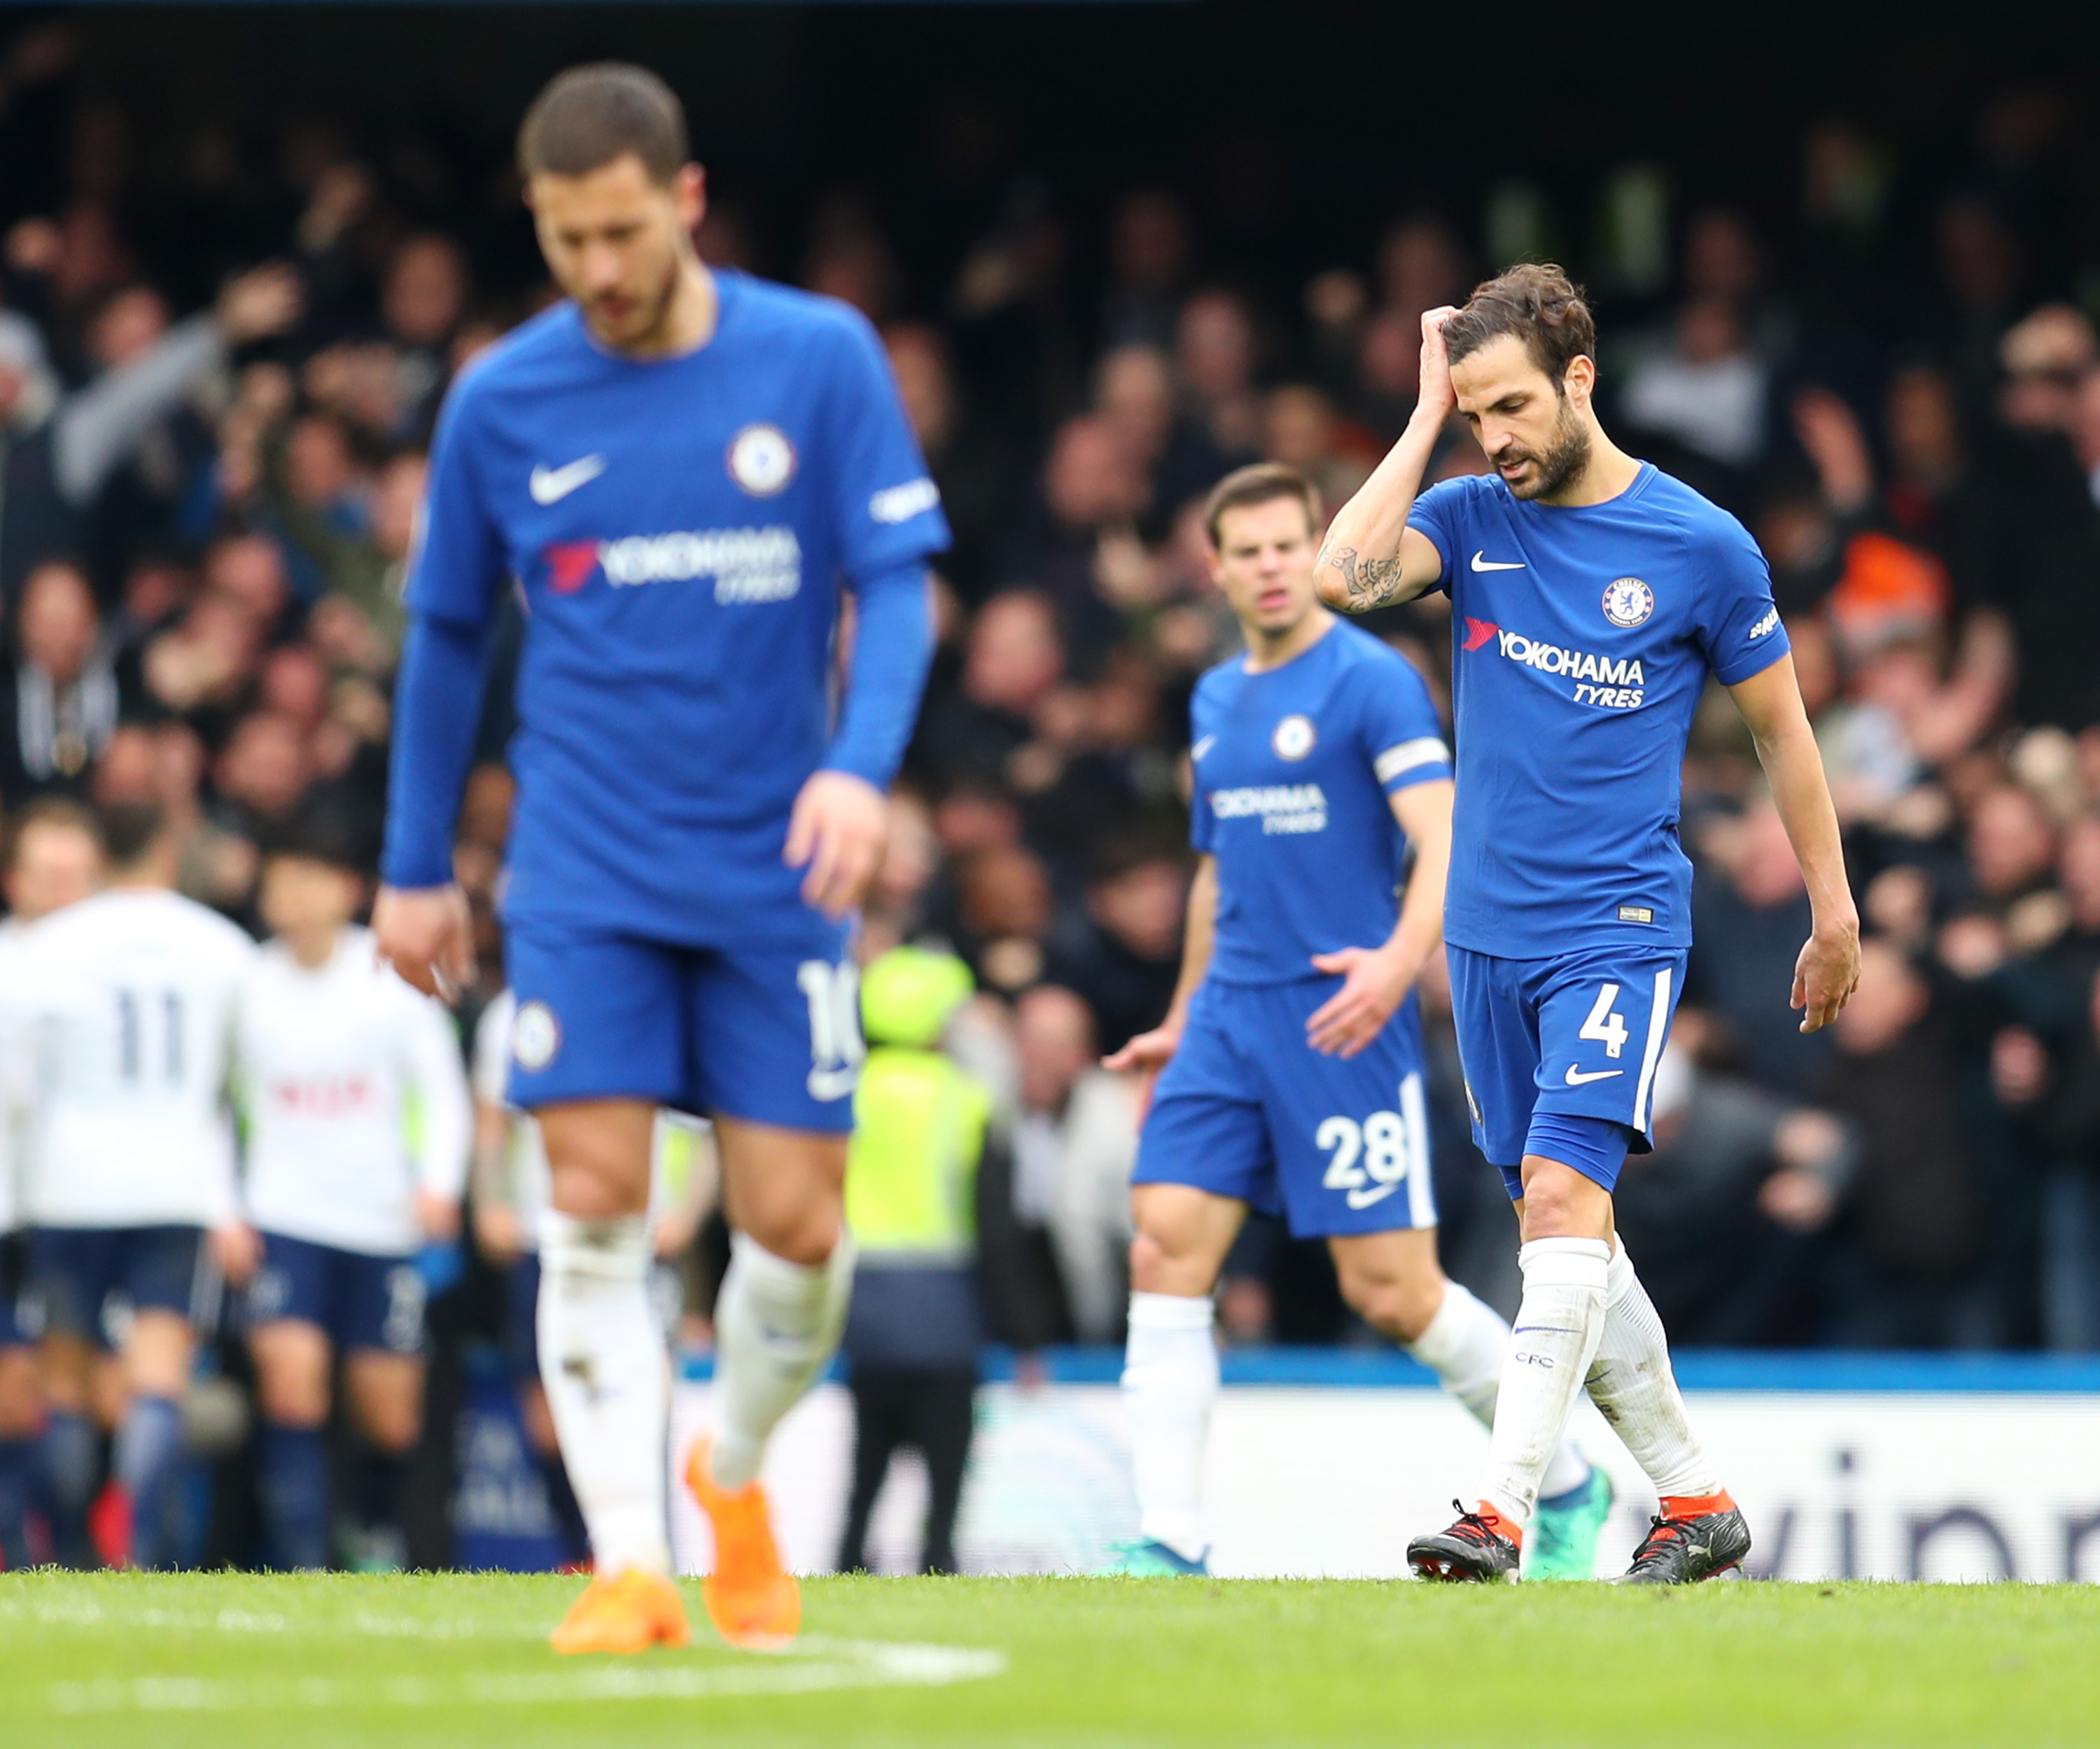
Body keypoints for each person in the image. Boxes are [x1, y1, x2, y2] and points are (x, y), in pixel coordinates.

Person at [371, 63, 946, 1653]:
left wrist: (855, 770)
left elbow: (895, 587)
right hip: (585, 867)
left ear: (683, 203)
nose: (597, 273)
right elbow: (440, 639)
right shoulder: (502, 397)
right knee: (594, 1197)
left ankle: (733, 1469)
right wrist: (416, 859)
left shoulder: (816, 359)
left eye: (620, 233)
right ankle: (629, 1561)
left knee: (796, 1227)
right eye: (565, 241)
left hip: (777, 872)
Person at [1313, 265, 1859, 1582]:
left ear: (1580, 377)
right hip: (1486, 937)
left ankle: (1499, 1506)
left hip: (1616, 923)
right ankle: (1696, 1500)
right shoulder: (1468, 513)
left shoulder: (1701, 544)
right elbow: (1342, 580)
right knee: (1574, 1235)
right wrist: (1422, 416)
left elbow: (1782, 728)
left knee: (1560, 1198)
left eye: (1510, 406)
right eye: (1472, 412)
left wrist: (1836, 910)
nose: (1494, 437)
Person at [1100, 462, 1607, 1579]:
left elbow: (1443, 833)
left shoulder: (1371, 681)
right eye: (1251, 549)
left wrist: (1395, 961)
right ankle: (1170, 1539)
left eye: (1293, 543)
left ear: (1314, 546)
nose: (1275, 565)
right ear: (1219, 567)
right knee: (1162, 1246)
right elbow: (1211, 870)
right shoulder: (1215, 696)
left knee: (1393, 1292)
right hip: (1229, 1015)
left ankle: (1568, 1476)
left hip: (1339, 1018)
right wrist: (1181, 1015)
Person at [8, 802, 255, 1568]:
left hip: (67, 1191)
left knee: (68, 1384)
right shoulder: (223, 945)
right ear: (169, 850)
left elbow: (17, 1084)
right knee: (158, 1377)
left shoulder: (51, 945)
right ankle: (142, 1553)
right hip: (175, 1187)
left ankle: (80, 1548)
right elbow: (239, 1084)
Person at [225, 815, 470, 1571]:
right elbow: (211, 1105)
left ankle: (373, 1538)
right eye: (281, 881)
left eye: (310, 879)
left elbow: (444, 1090)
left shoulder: (389, 975)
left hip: (379, 1221)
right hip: (282, 1216)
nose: (293, 896)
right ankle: (304, 1565)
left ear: (347, 890)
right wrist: (224, 1210)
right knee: (291, 1386)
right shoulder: (248, 984)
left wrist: (439, 1184)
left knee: (390, 1413)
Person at [834, 946, 990, 1577]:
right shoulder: (963, 1096)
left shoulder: (848, 1092)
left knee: (866, 1458)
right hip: (944, 1302)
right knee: (946, 1459)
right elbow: (996, 1215)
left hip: (864, 1298)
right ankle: (938, 1556)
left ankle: (848, 1560)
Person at [0, 799, 104, 1566]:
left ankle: (72, 1550)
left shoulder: (125, 978)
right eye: (48, 876)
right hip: (12, 1209)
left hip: (96, 1210)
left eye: (78, 877)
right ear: (15, 881)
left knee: (90, 1389)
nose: (63, 892)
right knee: (15, 1389)